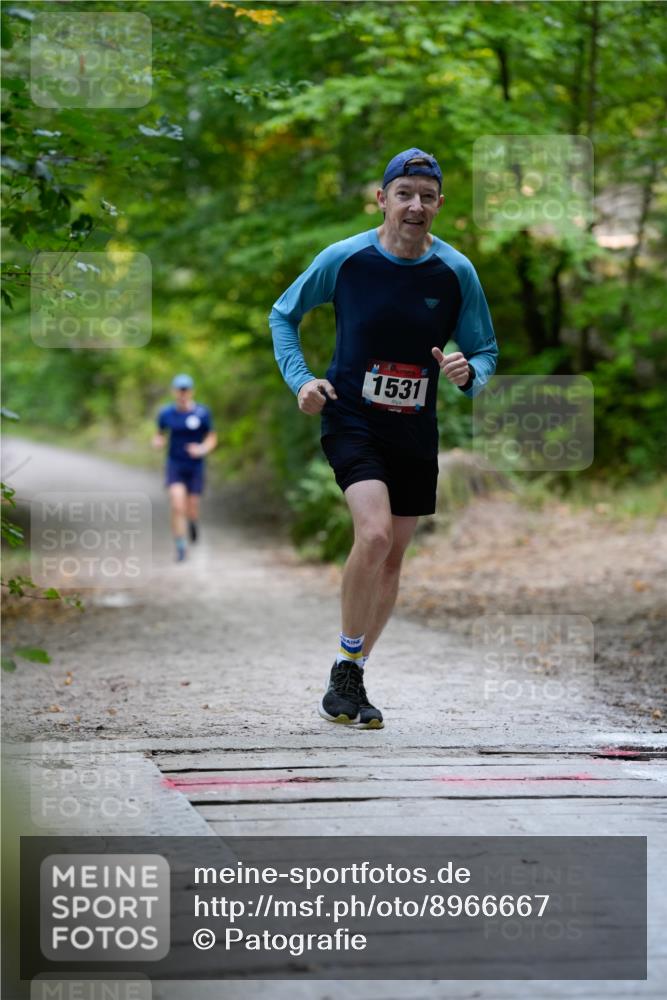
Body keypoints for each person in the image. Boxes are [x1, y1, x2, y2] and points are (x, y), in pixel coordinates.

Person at [269, 147, 498, 729]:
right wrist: (302, 380)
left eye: (427, 197)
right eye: (404, 194)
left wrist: (468, 372)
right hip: (352, 417)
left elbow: (484, 351)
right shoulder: (345, 259)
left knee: (393, 557)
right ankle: (347, 665)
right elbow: (283, 315)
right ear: (382, 199)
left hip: (414, 430)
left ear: (439, 205)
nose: (415, 205)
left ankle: (351, 671)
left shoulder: (456, 272)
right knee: (372, 536)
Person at [152, 374, 217, 562]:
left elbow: (211, 437)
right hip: (175, 464)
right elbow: (159, 434)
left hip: (195, 466)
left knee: (192, 506)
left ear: (191, 391)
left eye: (185, 390)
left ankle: (193, 522)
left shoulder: (202, 413)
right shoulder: (166, 414)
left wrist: (202, 449)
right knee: (177, 504)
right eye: (179, 390)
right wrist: (158, 441)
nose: (182, 394)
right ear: (174, 392)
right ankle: (180, 545)